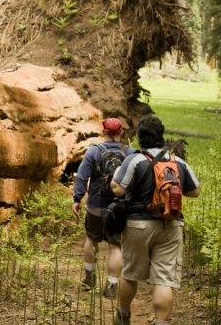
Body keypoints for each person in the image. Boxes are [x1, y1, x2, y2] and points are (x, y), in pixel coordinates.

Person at [110, 115, 201, 325]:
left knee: (130, 273)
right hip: (171, 225)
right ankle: (160, 322)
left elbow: (119, 189)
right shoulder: (177, 161)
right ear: (161, 136)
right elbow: (195, 191)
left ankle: (123, 314)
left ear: (140, 138)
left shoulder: (134, 160)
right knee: (164, 279)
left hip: (137, 225)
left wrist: (116, 175)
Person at [71, 117, 134, 298]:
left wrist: (77, 199)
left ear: (103, 132)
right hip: (119, 208)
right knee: (116, 246)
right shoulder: (130, 153)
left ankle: (89, 278)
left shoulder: (93, 152)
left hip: (95, 206)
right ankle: (112, 287)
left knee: (91, 239)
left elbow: (82, 177)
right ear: (121, 132)